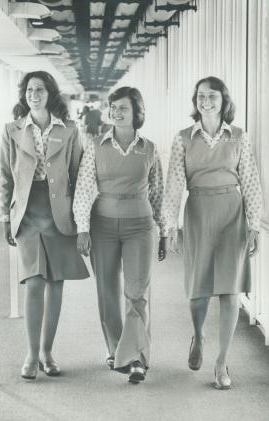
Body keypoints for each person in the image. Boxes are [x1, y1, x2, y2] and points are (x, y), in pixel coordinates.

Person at [165, 76, 262, 390]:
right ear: (195, 101)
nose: (206, 102)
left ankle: (221, 362)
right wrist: (170, 226)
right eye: (201, 96)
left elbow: (249, 181)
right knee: (198, 289)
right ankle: (200, 334)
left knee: (230, 291)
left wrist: (254, 225)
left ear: (224, 101)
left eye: (212, 97)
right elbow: (174, 185)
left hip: (231, 214)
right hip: (198, 212)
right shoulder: (183, 138)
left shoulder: (238, 137)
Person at [73, 86, 168, 384]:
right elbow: (85, 187)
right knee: (107, 292)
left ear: (136, 112)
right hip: (102, 226)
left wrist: (163, 231)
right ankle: (115, 349)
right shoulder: (96, 146)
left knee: (137, 292)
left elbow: (158, 193)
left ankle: (136, 357)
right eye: (113, 107)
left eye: (122, 107)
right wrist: (83, 228)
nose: (115, 112)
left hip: (140, 225)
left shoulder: (149, 149)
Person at [0, 71, 89, 380]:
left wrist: (82, 222)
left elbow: (78, 177)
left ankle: (47, 352)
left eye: (39, 89)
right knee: (34, 283)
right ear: (23, 95)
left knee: (56, 284)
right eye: (28, 90)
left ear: (50, 93)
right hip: (26, 212)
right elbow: (6, 178)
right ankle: (31, 354)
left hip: (59, 212)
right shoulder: (12, 130)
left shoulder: (70, 130)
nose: (33, 94)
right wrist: (5, 217)